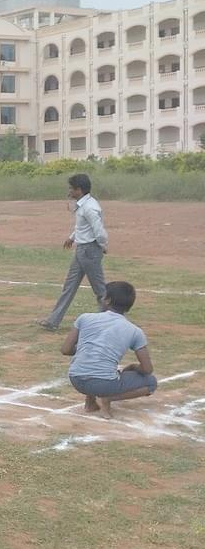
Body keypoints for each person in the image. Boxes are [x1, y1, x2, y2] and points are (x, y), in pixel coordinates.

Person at [61, 281, 157, 419]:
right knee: (151, 382)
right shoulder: (135, 331)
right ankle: (108, 398)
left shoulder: (84, 318)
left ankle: (90, 403)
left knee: (98, 363)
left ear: (108, 300)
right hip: (104, 384)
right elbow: (148, 369)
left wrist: (85, 349)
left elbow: (65, 349)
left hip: (76, 379)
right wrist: (134, 367)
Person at [37, 173, 108, 331]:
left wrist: (102, 245)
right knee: (69, 286)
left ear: (80, 190)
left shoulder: (90, 207)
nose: (69, 191)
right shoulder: (84, 205)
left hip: (89, 250)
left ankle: (110, 321)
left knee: (101, 290)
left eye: (71, 188)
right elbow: (83, 227)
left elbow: (99, 231)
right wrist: (72, 238)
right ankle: (53, 321)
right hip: (82, 250)